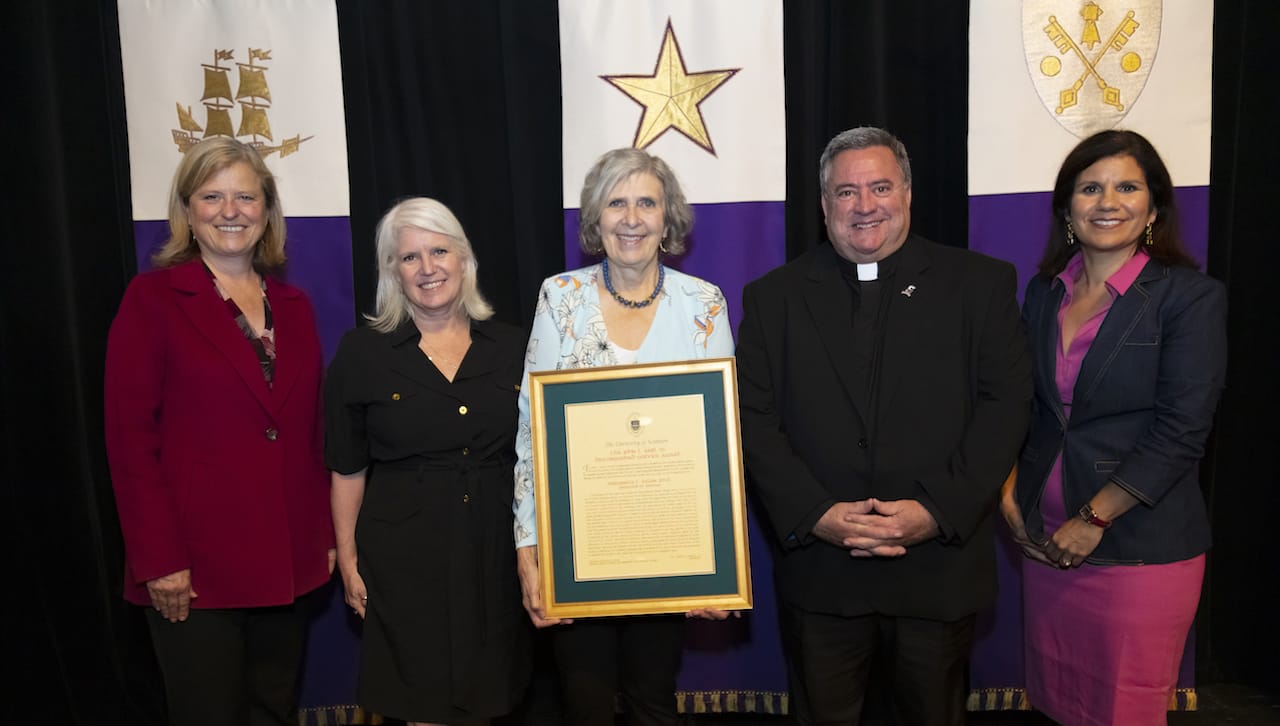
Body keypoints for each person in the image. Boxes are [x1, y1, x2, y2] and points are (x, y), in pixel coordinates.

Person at [735, 126, 1031, 725]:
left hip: (937, 571)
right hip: (823, 575)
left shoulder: (980, 285)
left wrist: (936, 511)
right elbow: (752, 419)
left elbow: (1006, 407)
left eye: (879, 187)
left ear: (908, 194)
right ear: (824, 207)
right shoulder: (774, 298)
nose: (864, 206)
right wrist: (816, 514)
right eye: (846, 192)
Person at [104, 136, 334, 726]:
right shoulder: (151, 300)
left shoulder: (296, 305)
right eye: (212, 196)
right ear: (187, 210)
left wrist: (324, 537)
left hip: (288, 562)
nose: (230, 211)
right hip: (194, 570)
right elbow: (130, 441)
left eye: (245, 197)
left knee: (273, 714)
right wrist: (158, 559)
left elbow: (310, 433)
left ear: (267, 210)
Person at [999, 130, 1227, 726]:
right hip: (1047, 545)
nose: (1108, 201)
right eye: (1090, 187)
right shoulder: (1044, 294)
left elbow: (1183, 429)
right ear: (1067, 208)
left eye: (1127, 187)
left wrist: (1095, 517)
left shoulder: (1189, 299)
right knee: (1058, 703)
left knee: (1125, 709)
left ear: (1153, 208)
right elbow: (1025, 408)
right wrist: (1009, 493)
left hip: (1136, 548)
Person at [513, 147, 734, 725]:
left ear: (668, 218)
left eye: (646, 202)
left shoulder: (703, 304)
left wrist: (721, 559)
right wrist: (528, 549)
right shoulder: (560, 297)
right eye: (616, 202)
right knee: (584, 704)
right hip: (579, 546)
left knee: (654, 701)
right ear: (595, 217)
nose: (631, 217)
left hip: (667, 543)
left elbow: (721, 438)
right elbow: (531, 431)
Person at [326, 197, 531, 724]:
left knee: (491, 694)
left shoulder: (516, 347)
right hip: (402, 556)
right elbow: (347, 468)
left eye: (439, 250)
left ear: (464, 259)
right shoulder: (361, 353)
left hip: (495, 550)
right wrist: (348, 560)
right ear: (392, 271)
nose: (428, 268)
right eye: (410, 257)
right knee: (422, 703)